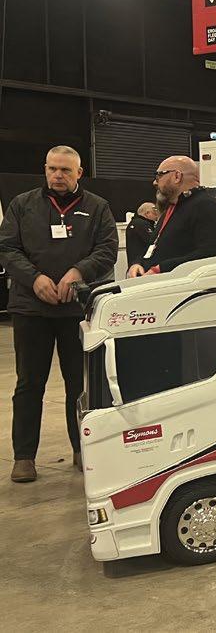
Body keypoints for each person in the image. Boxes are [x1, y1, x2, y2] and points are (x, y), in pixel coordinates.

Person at [0, 146, 118, 483]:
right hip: (30, 308)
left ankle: (83, 449)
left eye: (65, 170)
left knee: (79, 384)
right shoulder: (22, 204)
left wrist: (78, 272)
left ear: (79, 173)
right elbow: (7, 247)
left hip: (76, 310)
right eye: (52, 168)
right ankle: (24, 457)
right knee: (29, 384)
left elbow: (107, 249)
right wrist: (34, 278)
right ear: (45, 169)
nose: (58, 175)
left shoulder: (97, 207)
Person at [127, 155, 216, 278]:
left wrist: (162, 268)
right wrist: (138, 263)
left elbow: (211, 256)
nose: (155, 182)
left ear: (177, 176)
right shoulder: (172, 208)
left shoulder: (207, 207)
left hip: (181, 287)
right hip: (157, 283)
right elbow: (153, 248)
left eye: (159, 175)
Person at [124, 202, 159, 270]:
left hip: (135, 264)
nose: (157, 216)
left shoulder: (135, 223)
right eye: (154, 213)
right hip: (142, 265)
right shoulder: (142, 225)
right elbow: (153, 241)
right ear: (147, 213)